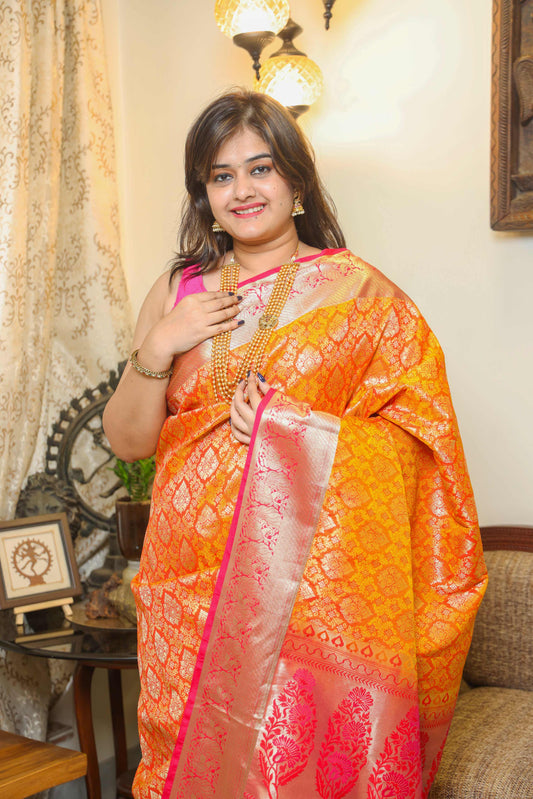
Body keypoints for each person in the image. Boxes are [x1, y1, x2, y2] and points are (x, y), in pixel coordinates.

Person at [103, 89, 487, 799]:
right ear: (203, 193)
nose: (242, 190)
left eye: (261, 168)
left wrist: (294, 433)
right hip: (184, 581)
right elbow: (129, 442)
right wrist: (158, 343)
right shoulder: (177, 288)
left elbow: (420, 452)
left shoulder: (364, 298)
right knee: (183, 761)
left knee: (288, 771)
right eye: (221, 176)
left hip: (302, 590)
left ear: (298, 183)